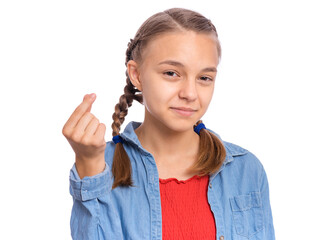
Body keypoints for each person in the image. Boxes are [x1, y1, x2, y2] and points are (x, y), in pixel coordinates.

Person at [62, 8, 275, 240]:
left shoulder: (246, 170)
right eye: (172, 73)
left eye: (204, 78)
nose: (190, 93)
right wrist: (89, 163)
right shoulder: (102, 167)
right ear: (137, 75)